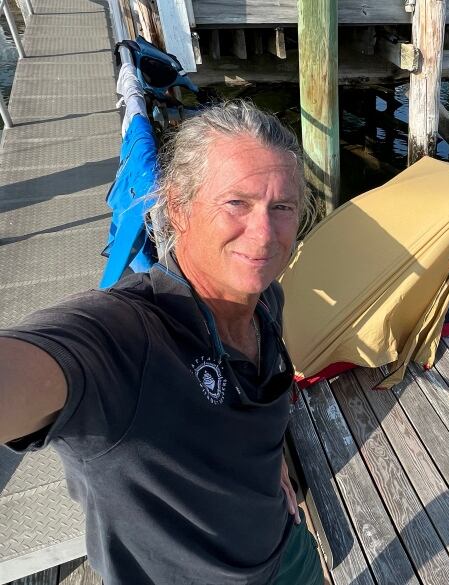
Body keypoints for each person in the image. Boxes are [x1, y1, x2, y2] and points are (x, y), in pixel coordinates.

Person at [0, 102, 324, 585]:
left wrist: (269, 455)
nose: (264, 234)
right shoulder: (124, 336)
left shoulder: (265, 300)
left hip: (287, 552)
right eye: (237, 203)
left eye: (282, 207)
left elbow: (250, 403)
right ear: (177, 207)